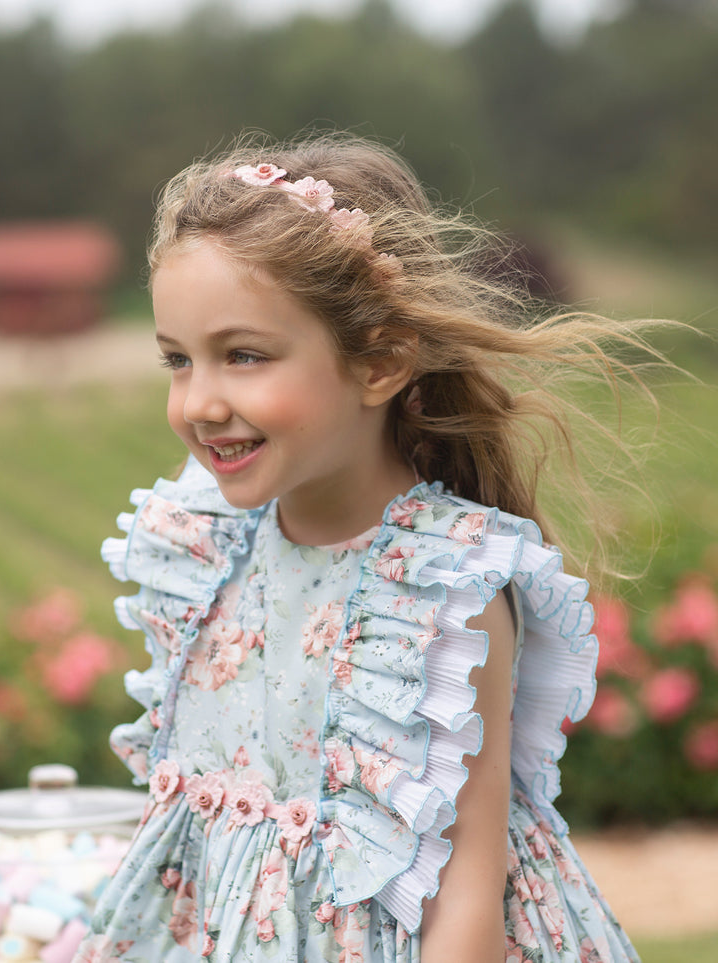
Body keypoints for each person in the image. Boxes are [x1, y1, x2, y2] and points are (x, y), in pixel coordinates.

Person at [76, 133, 651, 963]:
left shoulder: (441, 586)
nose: (199, 402)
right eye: (177, 360)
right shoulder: (204, 545)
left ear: (379, 361)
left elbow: (464, 884)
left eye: (243, 356)